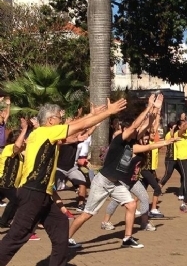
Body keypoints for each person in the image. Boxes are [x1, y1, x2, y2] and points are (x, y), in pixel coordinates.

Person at [0, 99, 126, 265]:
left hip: (44, 194)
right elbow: (78, 126)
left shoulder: (43, 135)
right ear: (50, 120)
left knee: (60, 225)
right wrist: (108, 113)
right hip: (33, 192)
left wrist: (92, 115)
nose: (62, 120)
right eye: (59, 117)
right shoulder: (45, 132)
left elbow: (76, 129)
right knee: (17, 235)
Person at [68, 94, 162, 249]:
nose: (135, 130)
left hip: (115, 182)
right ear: (124, 129)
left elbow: (145, 126)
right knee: (87, 214)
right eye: (131, 128)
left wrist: (154, 108)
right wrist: (148, 107)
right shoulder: (119, 139)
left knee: (131, 205)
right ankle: (66, 238)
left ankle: (127, 238)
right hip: (102, 181)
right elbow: (134, 126)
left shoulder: (132, 141)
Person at [0, 118, 28, 228]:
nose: (24, 141)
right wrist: (24, 129)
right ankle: (3, 222)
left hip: (9, 184)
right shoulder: (9, 148)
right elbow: (17, 146)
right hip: (4, 182)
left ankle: (4, 221)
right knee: (16, 200)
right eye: (23, 139)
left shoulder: (21, 154)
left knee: (16, 200)